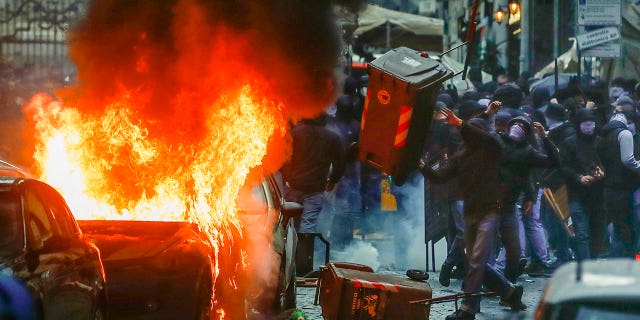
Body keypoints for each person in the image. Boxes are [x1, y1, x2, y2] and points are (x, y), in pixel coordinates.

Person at [420, 102, 526, 320]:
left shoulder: (491, 149)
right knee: (474, 260)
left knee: (477, 259)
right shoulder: (462, 156)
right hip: (472, 211)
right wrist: (422, 167)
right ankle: (509, 291)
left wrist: (461, 122)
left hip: (491, 211)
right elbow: (442, 176)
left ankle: (468, 308)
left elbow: (486, 139)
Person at [281, 115, 345, 233]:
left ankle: (290, 249)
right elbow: (340, 164)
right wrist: (332, 181)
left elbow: (283, 159)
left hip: (294, 186)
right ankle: (305, 249)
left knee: (290, 222)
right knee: (308, 224)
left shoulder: (294, 134)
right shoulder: (332, 138)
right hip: (315, 189)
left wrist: (287, 178)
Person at [559, 109, 606, 260]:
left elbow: (608, 163)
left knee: (597, 232)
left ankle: (592, 261)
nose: (589, 127)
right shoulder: (569, 143)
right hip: (577, 195)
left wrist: (602, 173)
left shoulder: (600, 142)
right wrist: (578, 177)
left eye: (592, 124)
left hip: (598, 195)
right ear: (579, 125)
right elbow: (563, 167)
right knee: (582, 233)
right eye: (586, 124)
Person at [598, 112, 640, 257]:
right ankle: (629, 262)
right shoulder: (624, 133)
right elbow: (628, 160)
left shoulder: (602, 137)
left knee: (617, 227)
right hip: (624, 188)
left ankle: (616, 261)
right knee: (629, 228)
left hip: (609, 188)